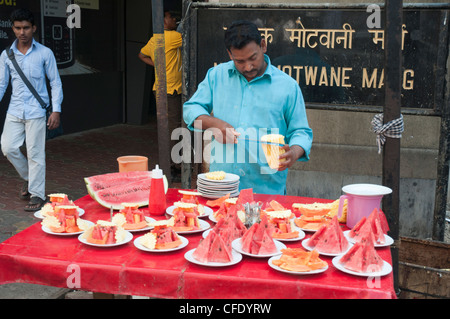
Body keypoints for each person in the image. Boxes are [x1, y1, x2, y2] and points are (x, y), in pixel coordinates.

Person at [183, 20, 313, 195]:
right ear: (230, 54)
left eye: (253, 58)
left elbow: (301, 132)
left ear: (263, 45)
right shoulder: (216, 76)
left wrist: (294, 153)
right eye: (240, 61)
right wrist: (213, 123)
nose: (248, 66)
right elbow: (191, 109)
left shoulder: (287, 86)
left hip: (266, 189)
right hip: (222, 187)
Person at [0, 8, 63, 211]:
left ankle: (37, 195)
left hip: (37, 111)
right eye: (18, 28)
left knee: (36, 153)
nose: (22, 32)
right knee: (7, 147)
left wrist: (56, 110)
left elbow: (55, 82)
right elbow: (2, 84)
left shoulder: (45, 53)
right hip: (15, 110)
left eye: (26, 27)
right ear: (13, 29)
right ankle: (29, 177)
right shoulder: (6, 55)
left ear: (33, 28)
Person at [138, 10, 182, 181]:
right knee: (174, 129)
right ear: (163, 20)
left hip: (162, 88)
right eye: (172, 17)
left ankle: (171, 166)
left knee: (168, 128)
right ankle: (173, 167)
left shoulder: (155, 39)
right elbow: (191, 36)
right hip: (171, 90)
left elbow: (141, 55)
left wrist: (158, 65)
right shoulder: (172, 37)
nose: (175, 20)